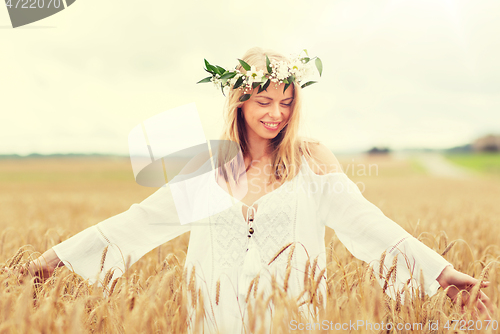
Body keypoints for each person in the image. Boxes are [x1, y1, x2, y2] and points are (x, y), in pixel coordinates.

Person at [4, 47, 494, 333]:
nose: (276, 114)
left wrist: (442, 273)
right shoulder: (208, 166)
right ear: (239, 101)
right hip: (213, 320)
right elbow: (139, 222)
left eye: (285, 102)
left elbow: (367, 225)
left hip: (293, 321)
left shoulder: (311, 158)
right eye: (263, 101)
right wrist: (50, 261)